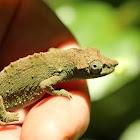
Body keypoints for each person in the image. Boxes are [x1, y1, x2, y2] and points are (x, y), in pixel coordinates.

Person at [0, 0, 90, 139]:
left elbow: (52, 51)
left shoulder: (61, 58)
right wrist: (57, 91)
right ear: (80, 69)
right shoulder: (63, 67)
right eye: (94, 68)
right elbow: (45, 84)